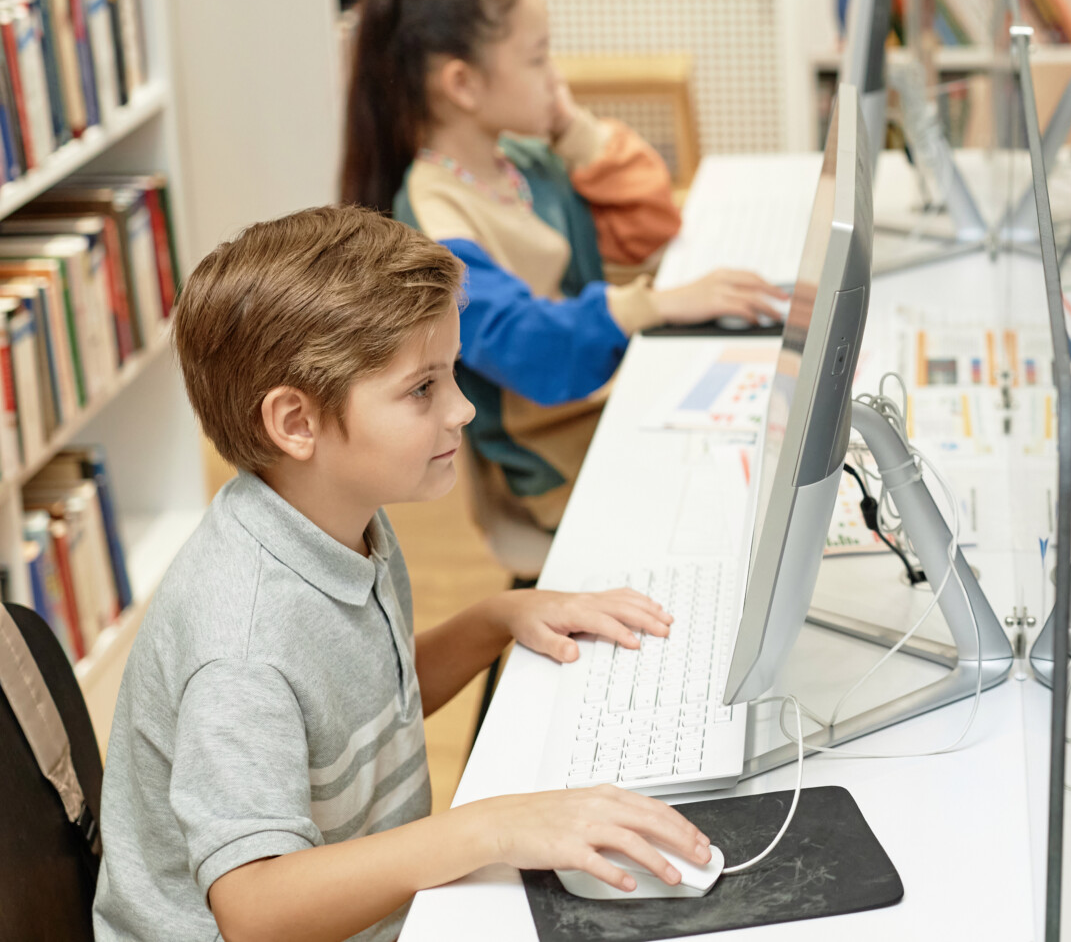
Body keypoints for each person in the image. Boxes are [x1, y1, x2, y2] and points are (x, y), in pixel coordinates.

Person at [94, 206, 715, 942]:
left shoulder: (335, 517)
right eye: (423, 388)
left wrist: (495, 620)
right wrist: (484, 829)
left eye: (450, 374)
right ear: (296, 422)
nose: (462, 408)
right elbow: (254, 907)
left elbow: (359, 710)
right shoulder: (241, 647)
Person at [339, 0, 785, 576]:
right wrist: (654, 303)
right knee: (756, 509)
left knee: (771, 461)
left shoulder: (522, 160)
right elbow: (534, 350)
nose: (556, 76)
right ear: (463, 84)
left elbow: (651, 219)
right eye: (538, 56)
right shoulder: (435, 222)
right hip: (560, 467)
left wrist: (571, 126)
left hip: (614, 408)